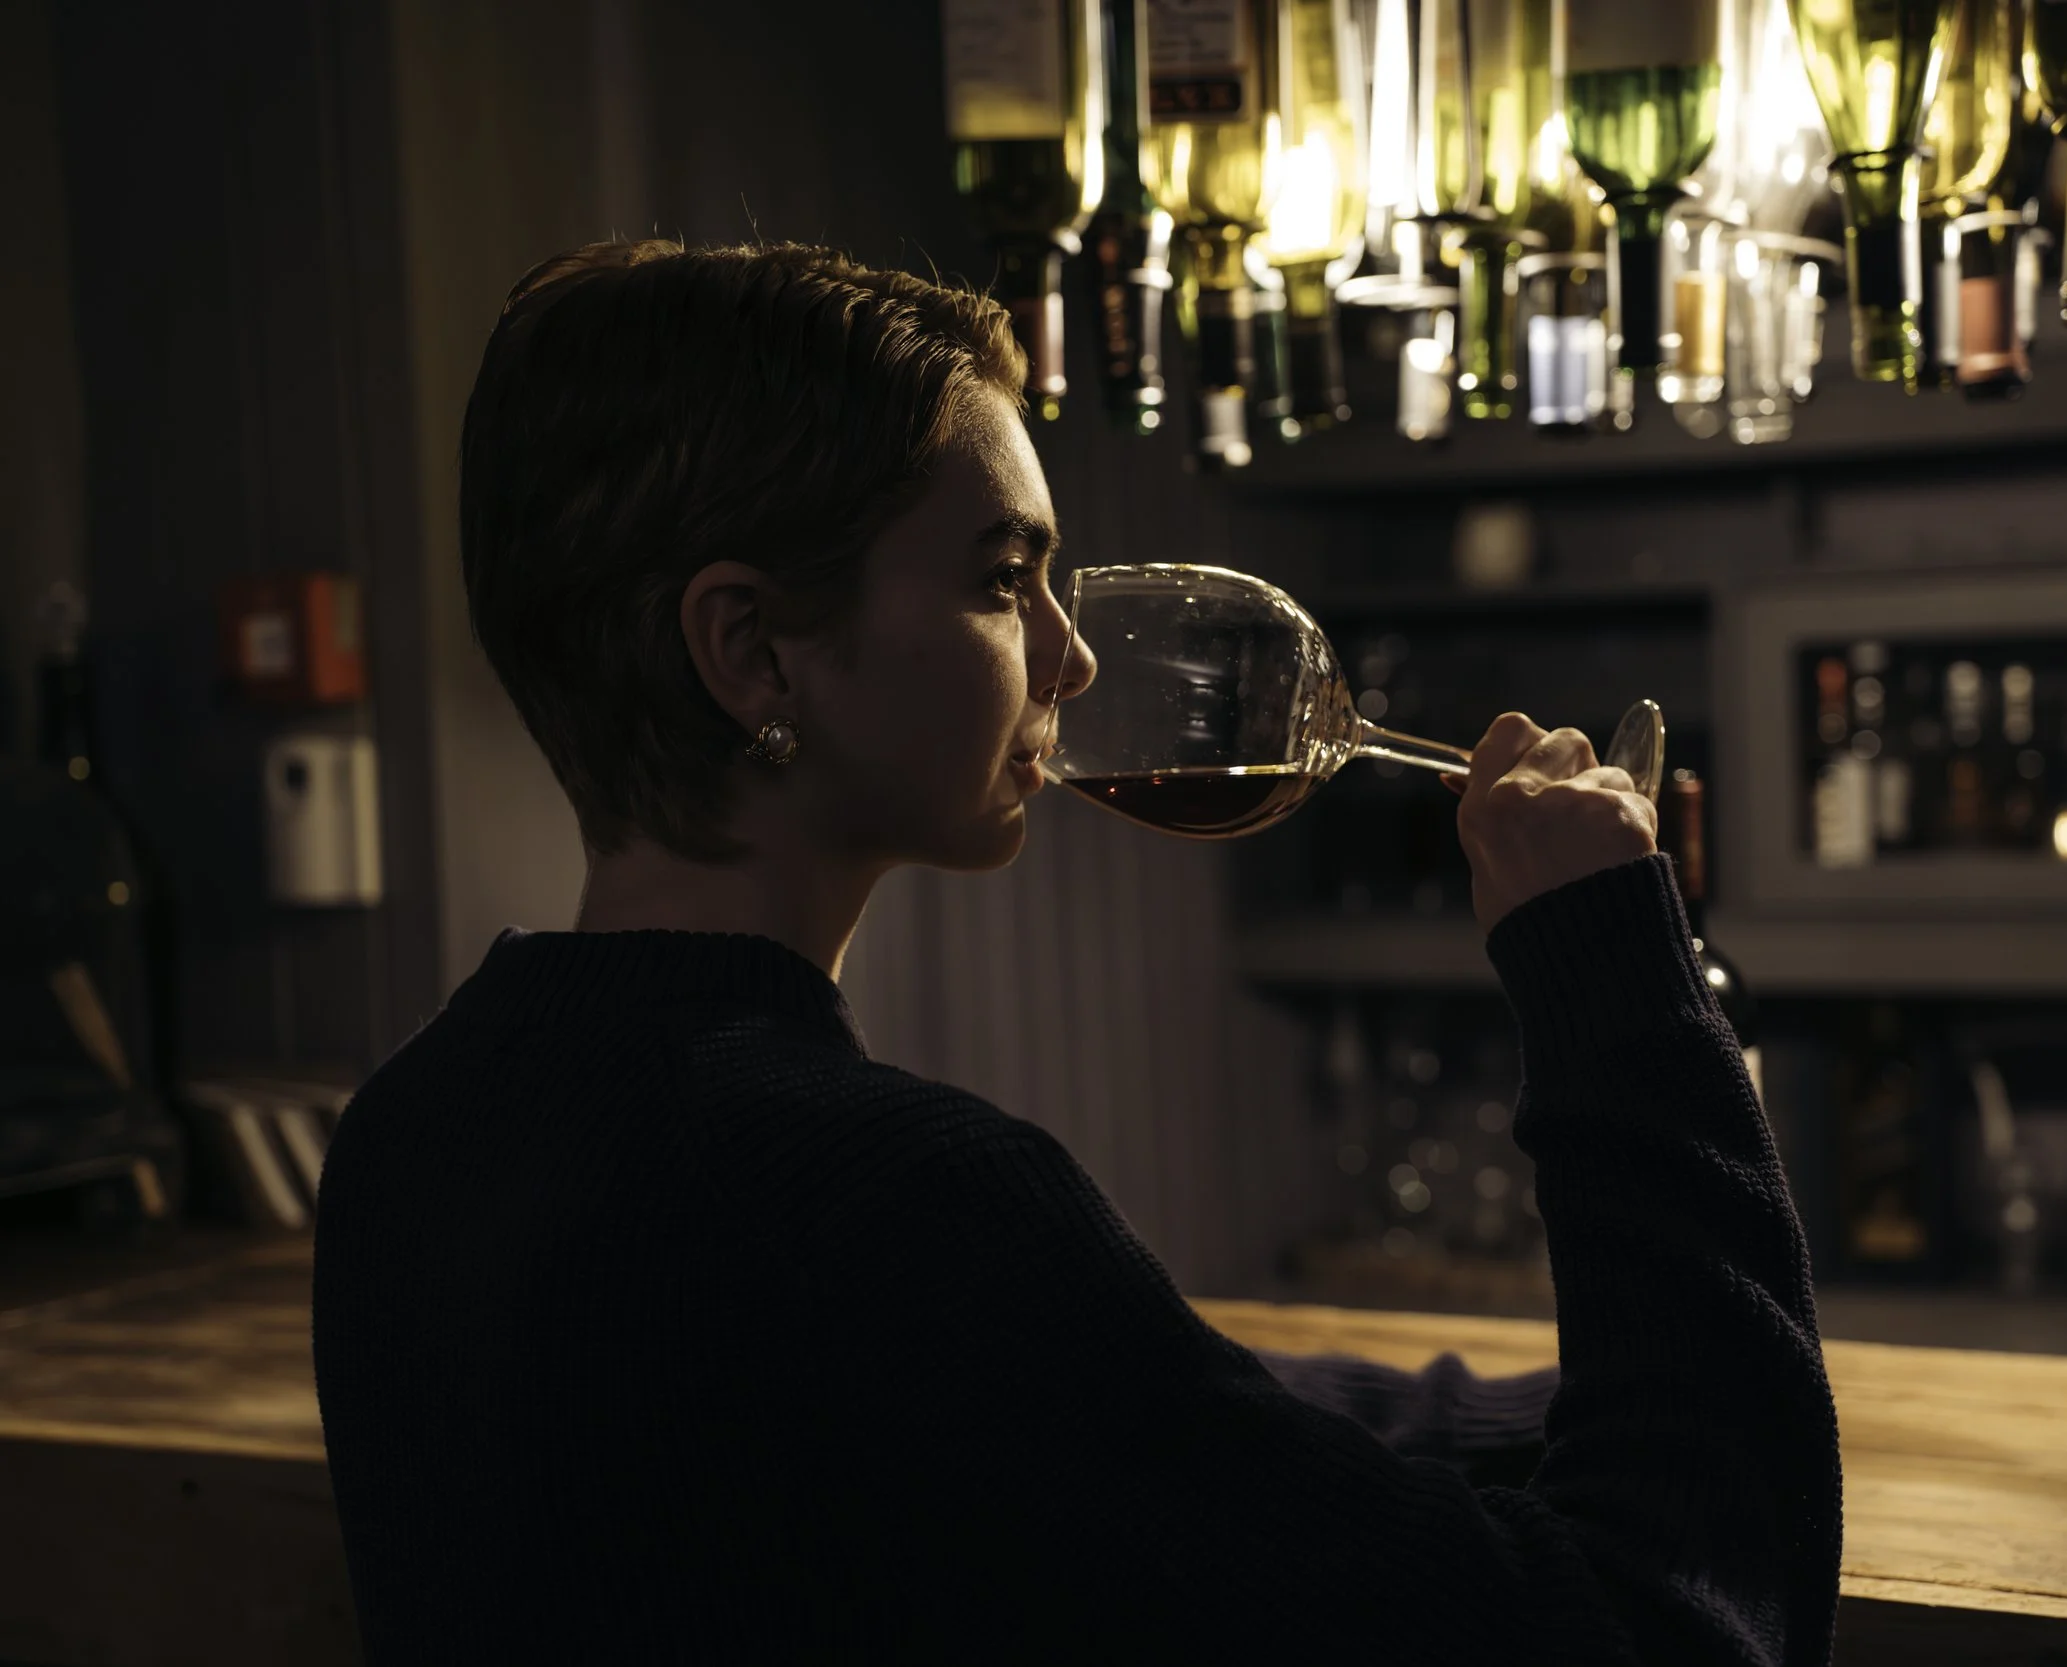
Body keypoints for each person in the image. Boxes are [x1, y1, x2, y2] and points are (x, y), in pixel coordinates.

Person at [312, 239, 1841, 1664]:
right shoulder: (905, 1203)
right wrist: (1609, 970)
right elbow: (1674, 1621)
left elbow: (1150, 1425)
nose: (1076, 649)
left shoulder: (413, 1135)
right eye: (999, 575)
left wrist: (1563, 1403)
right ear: (752, 650)